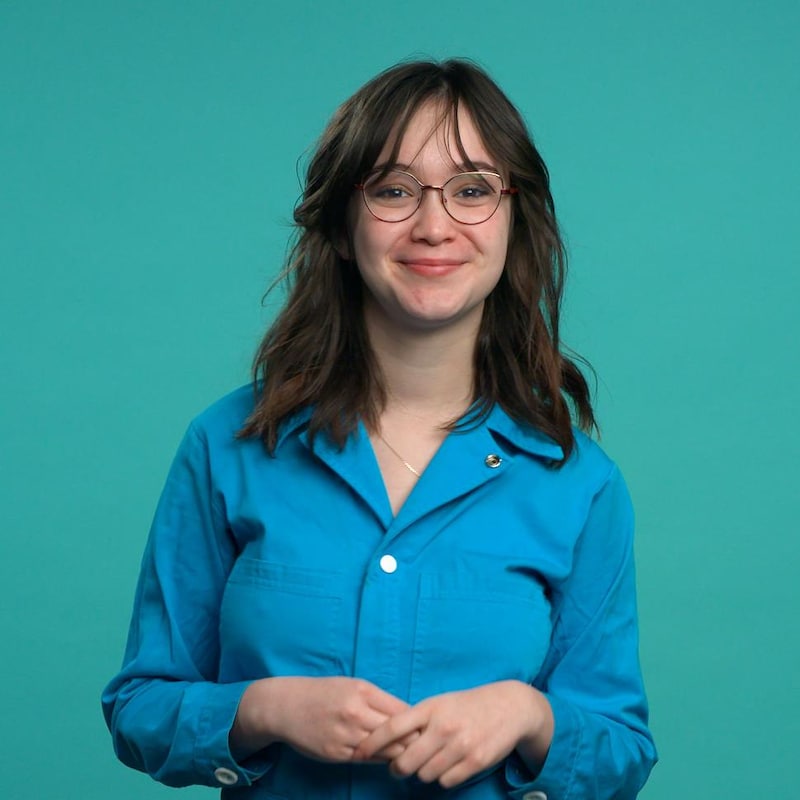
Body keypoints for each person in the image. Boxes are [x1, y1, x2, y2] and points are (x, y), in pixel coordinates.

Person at [102, 58, 657, 799]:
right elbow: (140, 707)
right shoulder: (226, 445)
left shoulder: (580, 484)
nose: (434, 226)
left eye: (472, 190)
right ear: (341, 224)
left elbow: (623, 750)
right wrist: (263, 709)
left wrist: (528, 716)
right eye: (393, 190)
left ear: (513, 221)